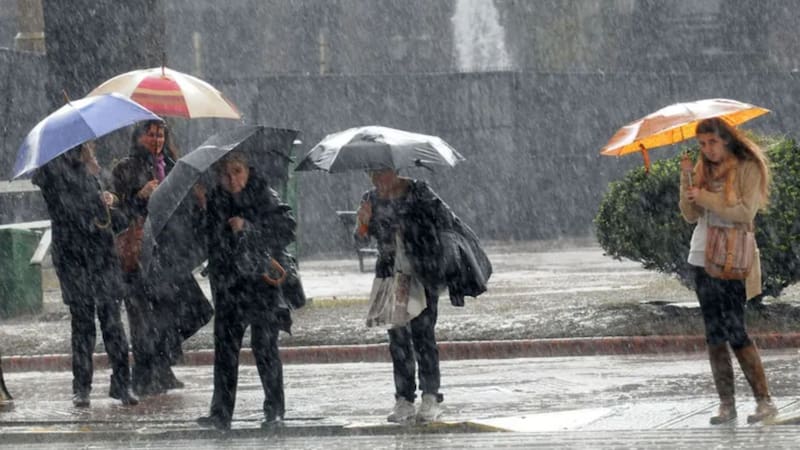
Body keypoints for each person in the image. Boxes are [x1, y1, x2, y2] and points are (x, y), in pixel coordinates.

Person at [354, 167, 490, 424]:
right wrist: (363, 224)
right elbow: (360, 241)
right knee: (398, 339)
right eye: (372, 176)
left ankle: (430, 396)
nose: (377, 181)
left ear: (394, 171)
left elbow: (445, 224)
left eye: (381, 174)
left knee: (423, 336)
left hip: (423, 273)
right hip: (392, 277)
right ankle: (404, 399)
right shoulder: (371, 199)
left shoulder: (421, 193)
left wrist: (410, 225)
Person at [679, 117, 777, 425]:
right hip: (701, 257)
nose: (707, 150)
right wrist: (686, 182)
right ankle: (726, 404)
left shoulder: (747, 167)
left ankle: (764, 401)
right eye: (702, 144)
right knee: (714, 334)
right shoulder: (700, 169)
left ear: (726, 139)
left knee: (736, 330)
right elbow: (690, 216)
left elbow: (744, 212)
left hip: (733, 258)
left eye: (712, 142)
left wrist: (706, 197)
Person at [32, 142, 138, 407]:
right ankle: (82, 388)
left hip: (103, 261)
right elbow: (71, 212)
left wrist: (111, 203)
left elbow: (117, 220)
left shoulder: (98, 174)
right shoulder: (56, 173)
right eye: (86, 145)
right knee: (83, 325)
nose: (91, 148)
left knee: (112, 323)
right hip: (74, 262)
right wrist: (93, 193)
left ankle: (123, 384)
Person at [197, 151, 297, 431]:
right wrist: (209, 217)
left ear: (248, 170)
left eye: (237, 171)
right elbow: (206, 239)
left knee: (264, 347)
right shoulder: (215, 200)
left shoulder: (264, 194)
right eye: (226, 174)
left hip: (260, 286)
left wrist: (249, 228)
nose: (232, 179)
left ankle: (275, 409)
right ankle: (221, 413)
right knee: (226, 350)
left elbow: (286, 228)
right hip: (228, 286)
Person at [111, 120, 212, 396]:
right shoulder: (125, 168)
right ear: (139, 136)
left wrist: (198, 201)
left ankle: (161, 364)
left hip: (170, 254)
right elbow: (117, 211)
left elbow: (184, 209)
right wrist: (139, 196)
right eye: (150, 134)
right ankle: (145, 375)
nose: (156, 140)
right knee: (144, 319)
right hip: (141, 254)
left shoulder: (175, 166)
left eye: (160, 134)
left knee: (192, 311)